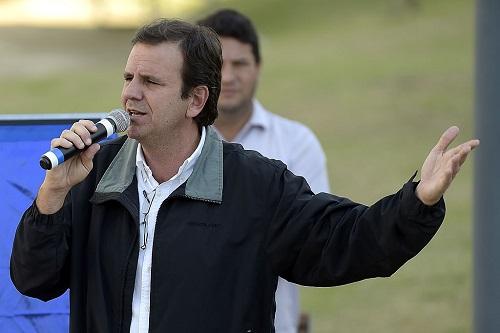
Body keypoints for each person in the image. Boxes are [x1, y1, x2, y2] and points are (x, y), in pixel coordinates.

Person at [10, 18, 479, 333]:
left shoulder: (258, 186)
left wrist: (418, 200)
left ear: (196, 100)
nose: (131, 94)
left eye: (151, 83)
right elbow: (35, 281)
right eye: (128, 78)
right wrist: (53, 194)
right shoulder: (92, 179)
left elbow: (350, 242)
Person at [197, 9, 329, 332]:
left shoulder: (297, 143)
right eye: (217, 65)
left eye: (240, 64)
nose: (227, 77)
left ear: (258, 68)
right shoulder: (171, 146)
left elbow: (315, 240)